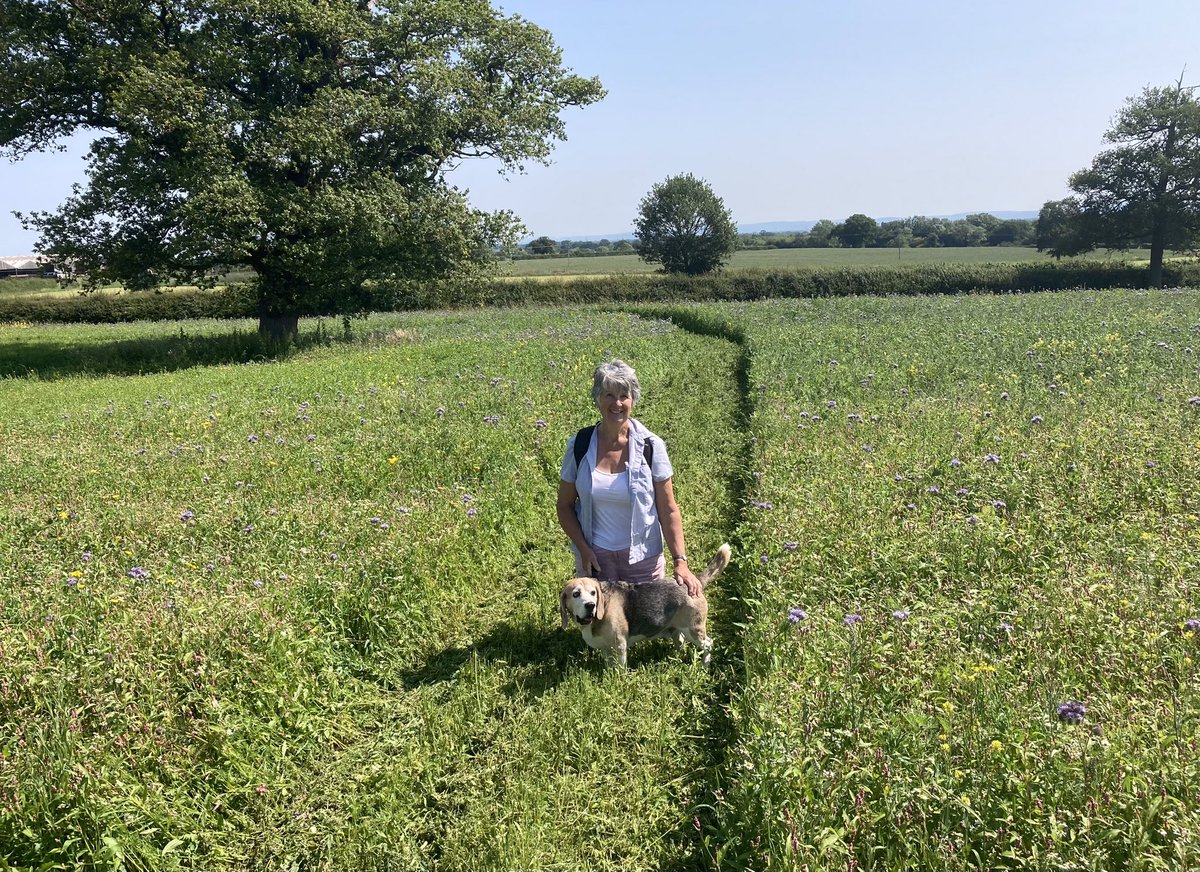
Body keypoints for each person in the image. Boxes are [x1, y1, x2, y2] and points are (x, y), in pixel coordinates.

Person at [556, 359, 701, 596]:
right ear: (597, 399)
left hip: (641, 558)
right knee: (599, 625)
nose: (617, 403)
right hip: (595, 557)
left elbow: (668, 508)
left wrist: (680, 561)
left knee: (645, 624)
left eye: (624, 395)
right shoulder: (580, 446)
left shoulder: (651, 446)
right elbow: (564, 506)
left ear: (633, 399)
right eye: (609, 395)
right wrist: (584, 549)